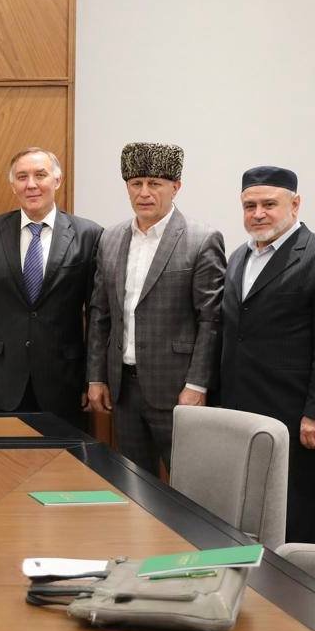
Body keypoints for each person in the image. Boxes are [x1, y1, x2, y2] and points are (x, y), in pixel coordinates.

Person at [220, 166, 315, 543]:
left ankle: (309, 583)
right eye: (249, 206)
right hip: (239, 411)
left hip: (296, 417)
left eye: (269, 204)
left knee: (299, 514)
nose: (258, 214)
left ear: (295, 205)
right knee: (248, 511)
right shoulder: (238, 257)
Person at [86, 142, 225, 473]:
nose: (144, 193)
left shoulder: (202, 239)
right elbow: (100, 313)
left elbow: (211, 319)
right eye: (136, 183)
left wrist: (197, 385)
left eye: (155, 183)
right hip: (123, 389)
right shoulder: (110, 238)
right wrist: (96, 377)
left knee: (189, 482)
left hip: (177, 390)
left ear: (176, 187)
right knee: (134, 483)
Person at [0, 148, 102, 430]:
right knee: (6, 457)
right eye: (22, 177)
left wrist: (93, 378)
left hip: (65, 380)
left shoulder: (88, 235)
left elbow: (97, 316)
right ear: (12, 185)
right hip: (3, 379)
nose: (31, 184)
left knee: (65, 457)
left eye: (40, 175)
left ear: (57, 180)